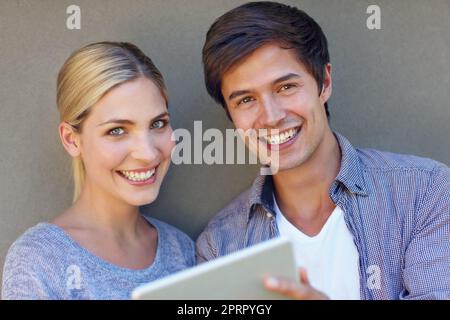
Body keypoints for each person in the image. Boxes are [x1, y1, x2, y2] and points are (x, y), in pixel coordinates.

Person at [196, 1, 449, 299]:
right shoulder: (220, 246)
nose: (271, 117)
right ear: (231, 114)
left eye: (286, 87)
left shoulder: (424, 192)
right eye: (246, 100)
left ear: (324, 83)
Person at [2, 42, 195, 299]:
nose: (147, 153)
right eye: (117, 130)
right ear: (72, 139)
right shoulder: (40, 260)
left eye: (158, 124)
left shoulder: (182, 250)